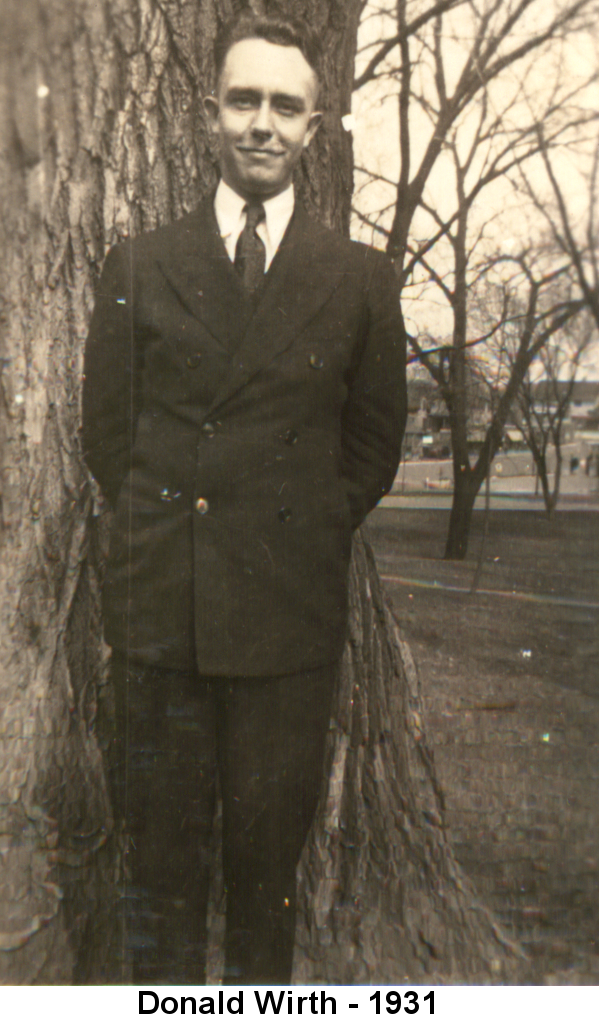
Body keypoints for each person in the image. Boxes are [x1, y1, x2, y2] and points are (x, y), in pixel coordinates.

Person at [82, 11, 407, 986]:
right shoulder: (138, 265)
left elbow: (371, 446)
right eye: (243, 100)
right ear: (207, 117)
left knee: (264, 882)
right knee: (163, 881)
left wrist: (294, 530)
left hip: (283, 629)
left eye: (283, 105)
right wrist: (168, 533)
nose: (261, 123)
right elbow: (109, 437)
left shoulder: (357, 280)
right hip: (161, 624)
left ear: (314, 128)